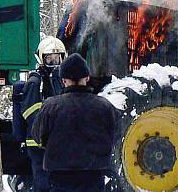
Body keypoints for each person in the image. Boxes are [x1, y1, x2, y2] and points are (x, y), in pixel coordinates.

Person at [32, 53, 119, 192]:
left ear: (63, 80)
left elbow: (38, 136)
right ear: (87, 78)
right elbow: (114, 135)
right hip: (94, 176)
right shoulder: (105, 106)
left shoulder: (51, 106)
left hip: (60, 177)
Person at [20, 36, 67, 192]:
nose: (54, 62)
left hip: (56, 142)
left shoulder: (60, 80)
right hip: (38, 144)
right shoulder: (35, 82)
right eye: (49, 58)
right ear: (41, 58)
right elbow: (30, 112)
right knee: (43, 183)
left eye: (57, 57)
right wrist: (44, 134)